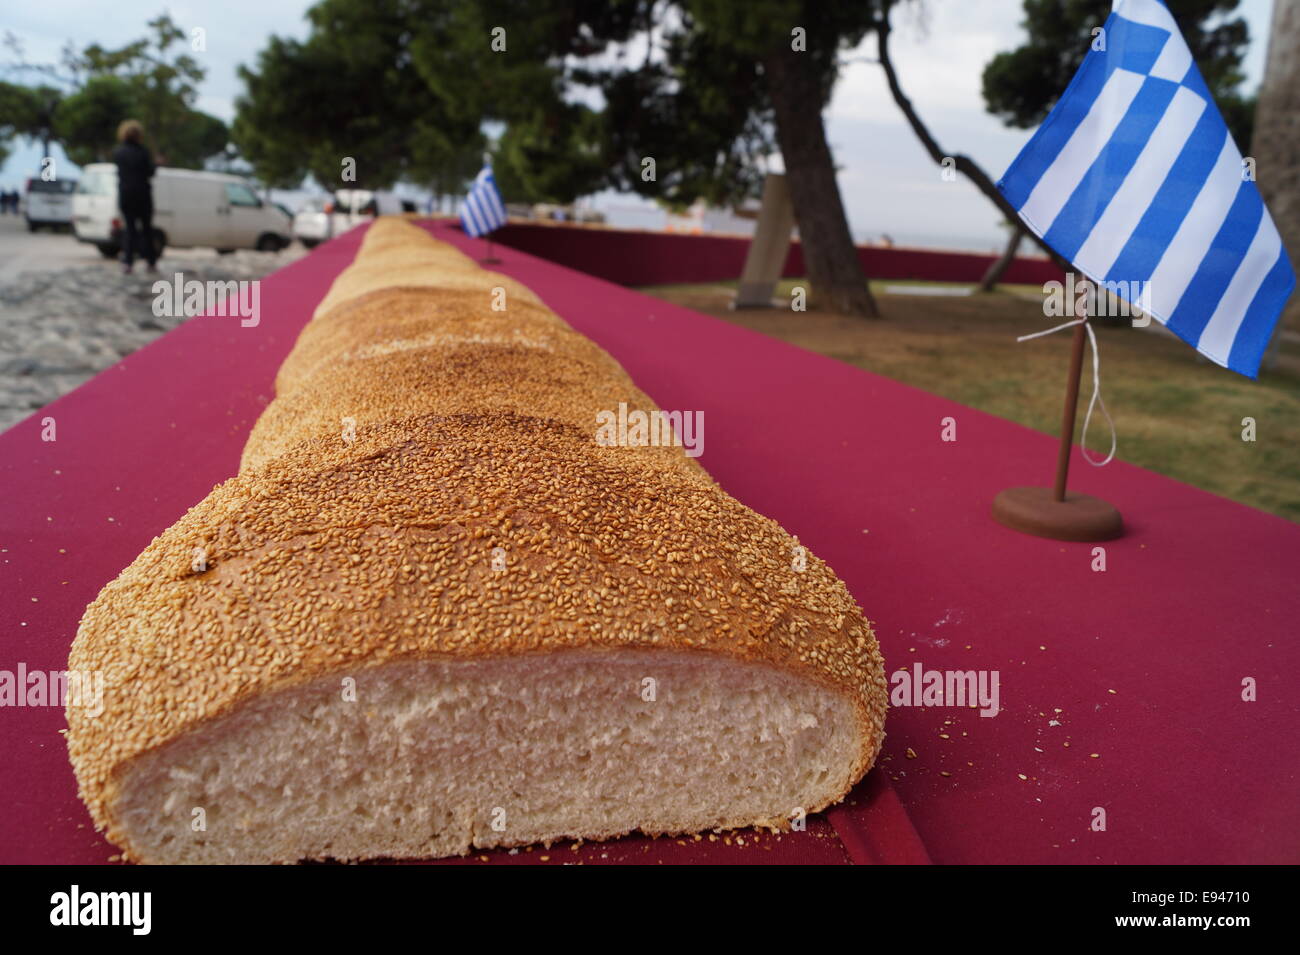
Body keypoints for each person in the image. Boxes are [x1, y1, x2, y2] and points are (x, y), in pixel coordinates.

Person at [112, 120, 158, 274]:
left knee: (130, 230)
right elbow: (150, 172)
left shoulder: (118, 152)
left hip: (126, 195)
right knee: (146, 230)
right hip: (143, 195)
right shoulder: (143, 152)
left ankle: (128, 263)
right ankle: (151, 262)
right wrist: (156, 163)